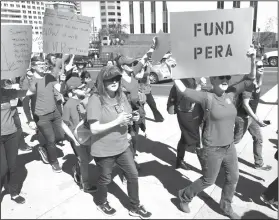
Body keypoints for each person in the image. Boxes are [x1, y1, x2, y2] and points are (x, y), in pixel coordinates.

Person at [174, 46, 256, 219]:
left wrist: (252, 59)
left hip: (229, 146)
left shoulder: (232, 94)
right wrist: (172, 70)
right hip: (213, 148)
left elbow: (250, 78)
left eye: (227, 77)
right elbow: (183, 90)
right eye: (222, 77)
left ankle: (226, 206)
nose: (225, 79)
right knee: (208, 180)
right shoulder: (206, 97)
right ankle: (184, 196)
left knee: (233, 178)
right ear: (213, 80)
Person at [86, 66, 152, 219]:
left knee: (133, 174)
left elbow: (126, 114)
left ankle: (135, 206)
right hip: (103, 149)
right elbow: (94, 129)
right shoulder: (95, 99)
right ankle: (101, 201)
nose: (114, 82)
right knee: (105, 178)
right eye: (110, 79)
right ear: (102, 81)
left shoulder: (121, 96)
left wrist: (132, 118)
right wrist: (117, 121)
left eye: (117, 79)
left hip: (122, 146)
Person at [28, 56, 65, 172]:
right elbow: (25, 101)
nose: (43, 65)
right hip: (41, 116)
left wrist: (63, 81)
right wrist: (30, 119)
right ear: (33, 66)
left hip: (55, 113)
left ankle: (44, 148)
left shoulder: (49, 77)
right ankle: (54, 162)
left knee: (61, 136)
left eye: (44, 63)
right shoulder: (30, 80)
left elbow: (60, 89)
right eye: (39, 64)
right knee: (51, 140)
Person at [61, 77, 97, 193]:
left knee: (92, 156)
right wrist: (73, 139)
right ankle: (85, 185)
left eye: (85, 86)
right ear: (74, 90)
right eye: (82, 88)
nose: (85, 89)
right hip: (76, 137)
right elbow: (63, 124)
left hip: (88, 134)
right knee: (84, 161)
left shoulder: (88, 99)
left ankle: (77, 167)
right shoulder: (68, 105)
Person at [234, 60, 272, 170]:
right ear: (252, 68)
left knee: (258, 138)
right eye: (259, 66)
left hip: (251, 117)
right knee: (235, 140)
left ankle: (259, 163)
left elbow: (259, 84)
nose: (262, 67)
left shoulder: (256, 81)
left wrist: (260, 75)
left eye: (263, 65)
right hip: (243, 117)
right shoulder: (248, 83)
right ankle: (218, 156)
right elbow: (246, 105)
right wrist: (258, 119)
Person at [1, 80, 34, 204]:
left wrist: (35, 76)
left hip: (11, 135)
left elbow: (31, 91)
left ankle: (13, 192)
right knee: (2, 169)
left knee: (13, 166)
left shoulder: (8, 93)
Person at [167, 77, 206, 170]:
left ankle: (179, 161)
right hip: (187, 114)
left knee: (185, 137)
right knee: (197, 141)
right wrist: (199, 86)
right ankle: (206, 170)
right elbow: (187, 101)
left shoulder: (190, 78)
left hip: (191, 113)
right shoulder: (182, 81)